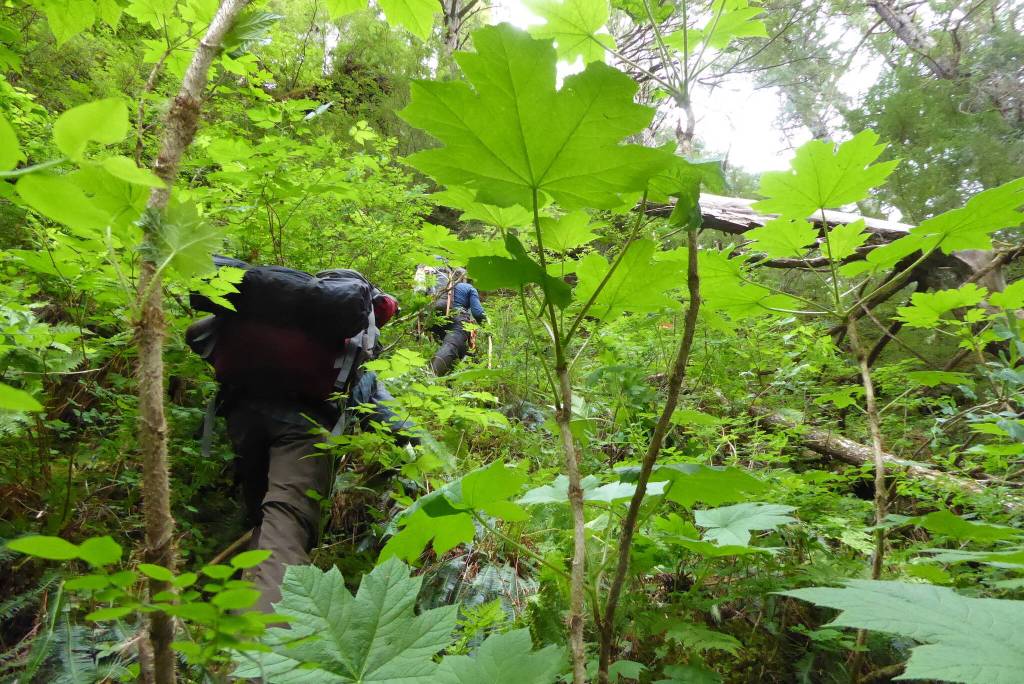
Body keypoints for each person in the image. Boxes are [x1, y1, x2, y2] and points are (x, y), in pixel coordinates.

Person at [186, 261, 414, 613]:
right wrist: (410, 443)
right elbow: (373, 396)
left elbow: (197, 335)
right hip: (305, 428)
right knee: (287, 521)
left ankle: (238, 607)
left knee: (264, 514)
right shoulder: (353, 329)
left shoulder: (279, 308)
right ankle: (265, 653)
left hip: (243, 415)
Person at [426, 267, 486, 376]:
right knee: (451, 345)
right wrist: (486, 326)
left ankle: (450, 381)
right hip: (457, 319)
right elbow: (478, 313)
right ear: (464, 278)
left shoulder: (441, 288)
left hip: (435, 319)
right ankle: (430, 376)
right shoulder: (468, 287)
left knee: (461, 348)